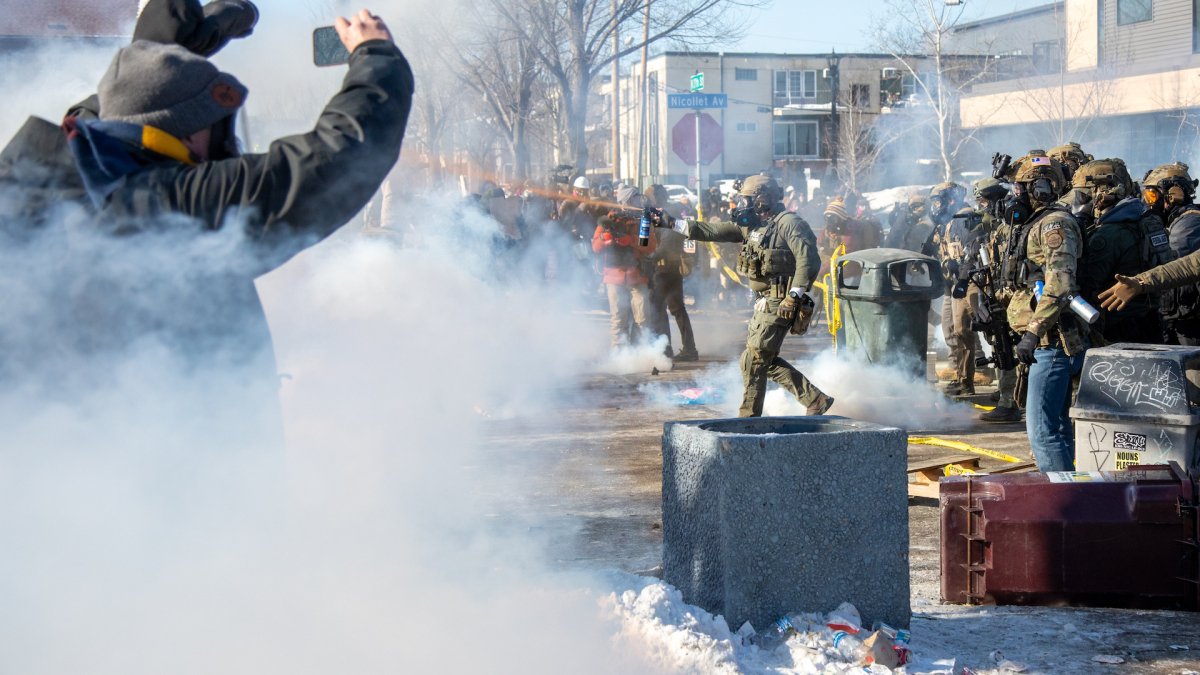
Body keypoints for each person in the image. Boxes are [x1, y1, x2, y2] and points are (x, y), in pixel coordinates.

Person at [0, 5, 413, 408]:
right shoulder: (170, 205)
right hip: (169, 444)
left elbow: (116, 113)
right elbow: (336, 158)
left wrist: (161, 54)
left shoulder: (34, 179)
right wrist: (375, 54)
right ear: (189, 132)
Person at [657, 175, 833, 417]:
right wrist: (671, 222)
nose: (742, 204)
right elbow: (710, 231)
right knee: (758, 359)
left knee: (755, 358)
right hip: (764, 301)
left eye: (747, 199)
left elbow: (809, 261)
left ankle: (749, 418)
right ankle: (815, 399)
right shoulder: (753, 225)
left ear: (762, 199)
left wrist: (793, 296)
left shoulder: (790, 224)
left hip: (781, 300)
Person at [1004, 157, 1087, 472]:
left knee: (1042, 430)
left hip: (1052, 342)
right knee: (1058, 427)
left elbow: (1060, 283)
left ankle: (1060, 495)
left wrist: (1032, 332)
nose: (1016, 196)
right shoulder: (1037, 222)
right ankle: (1070, 490)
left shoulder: (1055, 224)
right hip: (1047, 342)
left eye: (1020, 188)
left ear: (1039, 188)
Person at [1070, 159, 1164, 343]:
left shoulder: (1108, 234)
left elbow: (1086, 283)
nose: (1079, 202)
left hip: (1119, 326)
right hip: (1150, 318)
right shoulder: (1144, 220)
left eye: (1083, 195)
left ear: (1102, 193)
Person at [973, 178, 1022, 423]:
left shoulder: (1014, 225)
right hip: (1000, 294)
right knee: (1001, 347)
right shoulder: (1000, 228)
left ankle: (1010, 402)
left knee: (1009, 349)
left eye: (984, 201)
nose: (982, 207)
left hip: (1014, 298)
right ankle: (1007, 397)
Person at [592, 185, 657, 348]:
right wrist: (604, 238)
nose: (638, 201)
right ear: (626, 201)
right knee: (618, 319)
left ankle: (642, 352)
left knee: (643, 319)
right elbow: (595, 247)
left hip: (638, 275)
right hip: (614, 274)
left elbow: (649, 246)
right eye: (634, 198)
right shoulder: (609, 219)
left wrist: (630, 240)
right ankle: (619, 354)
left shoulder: (643, 220)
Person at [1142, 162, 1200, 345]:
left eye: (1152, 196)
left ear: (1173, 195)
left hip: (1189, 323)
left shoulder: (1189, 223)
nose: (1149, 203)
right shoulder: (1175, 221)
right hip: (1178, 316)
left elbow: (1169, 261)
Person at [645, 184, 698, 361]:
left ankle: (665, 351)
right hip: (670, 267)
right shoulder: (663, 212)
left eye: (649, 197)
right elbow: (645, 239)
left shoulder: (664, 213)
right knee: (677, 309)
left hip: (664, 268)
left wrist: (651, 257)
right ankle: (689, 349)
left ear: (656, 198)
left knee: (658, 309)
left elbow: (666, 243)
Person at [927, 183, 970, 392]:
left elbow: (970, 252)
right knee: (948, 326)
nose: (936, 206)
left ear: (951, 200)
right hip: (949, 283)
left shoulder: (965, 218)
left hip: (964, 283)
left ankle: (973, 371)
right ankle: (956, 368)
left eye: (938, 201)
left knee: (964, 328)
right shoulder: (943, 223)